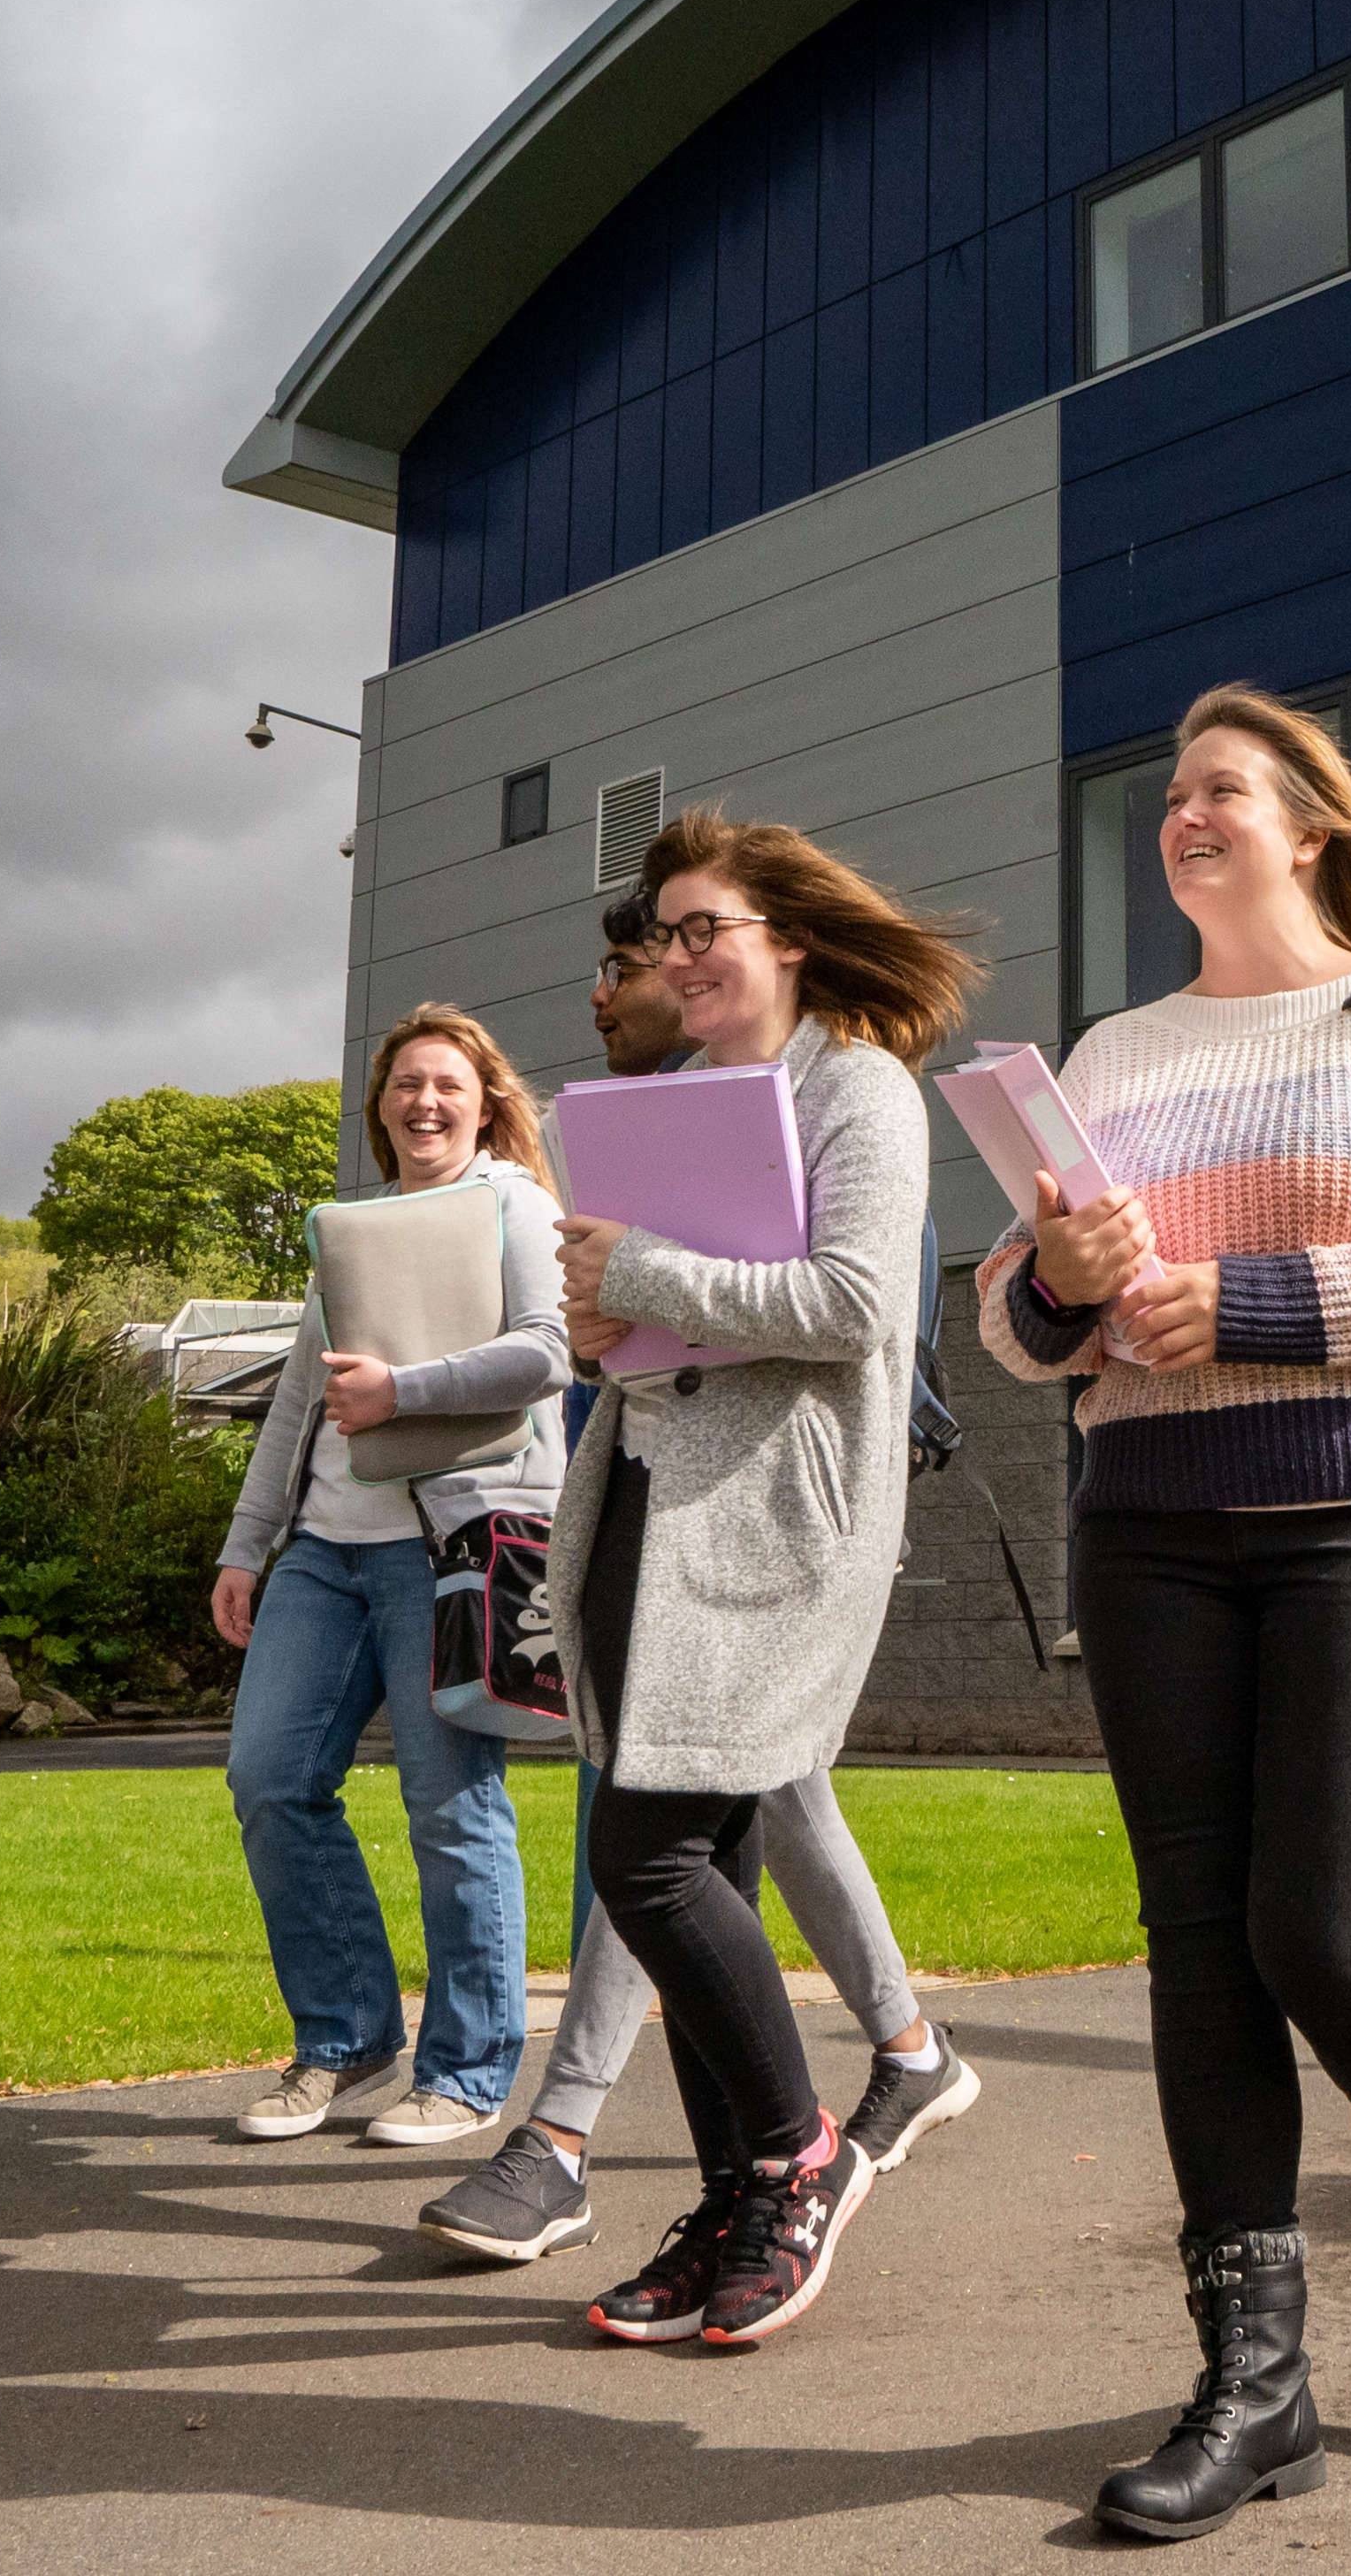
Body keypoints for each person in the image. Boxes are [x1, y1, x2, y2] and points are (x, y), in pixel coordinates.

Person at [977, 686, 1351, 2538]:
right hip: (1145, 1529)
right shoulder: (1116, 1048)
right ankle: (1258, 2381)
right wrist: (1061, 1278)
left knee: (1329, 1930)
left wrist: (1243, 1304)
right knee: (1201, 1946)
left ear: (1307, 825)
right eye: (1168, 794)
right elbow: (1008, 1320)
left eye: (1218, 787)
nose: (1181, 813)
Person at [420, 890, 980, 2269]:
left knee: (647, 1852)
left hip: (773, 1519)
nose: (664, 964)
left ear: (788, 935)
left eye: (694, 930)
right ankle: (739, 2197)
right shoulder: (670, 1099)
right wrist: (604, 1306)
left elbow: (856, 1305)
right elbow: (635, 1324)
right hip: (645, 1499)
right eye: (653, 943)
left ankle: (783, 2159)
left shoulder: (857, 1086)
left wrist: (653, 1272)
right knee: (710, 1843)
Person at [211, 1008, 568, 2148]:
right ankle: (345, 2038)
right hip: (324, 1550)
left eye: (446, 1084)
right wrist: (245, 1541)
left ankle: (465, 2072)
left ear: (484, 1100)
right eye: (405, 1084)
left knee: (450, 1806)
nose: (424, 1102)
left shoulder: (516, 1202)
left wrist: (404, 1390)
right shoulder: (350, 1230)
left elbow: (548, 1351)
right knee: (270, 1778)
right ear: (380, 1107)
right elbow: (300, 1404)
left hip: (452, 1547)